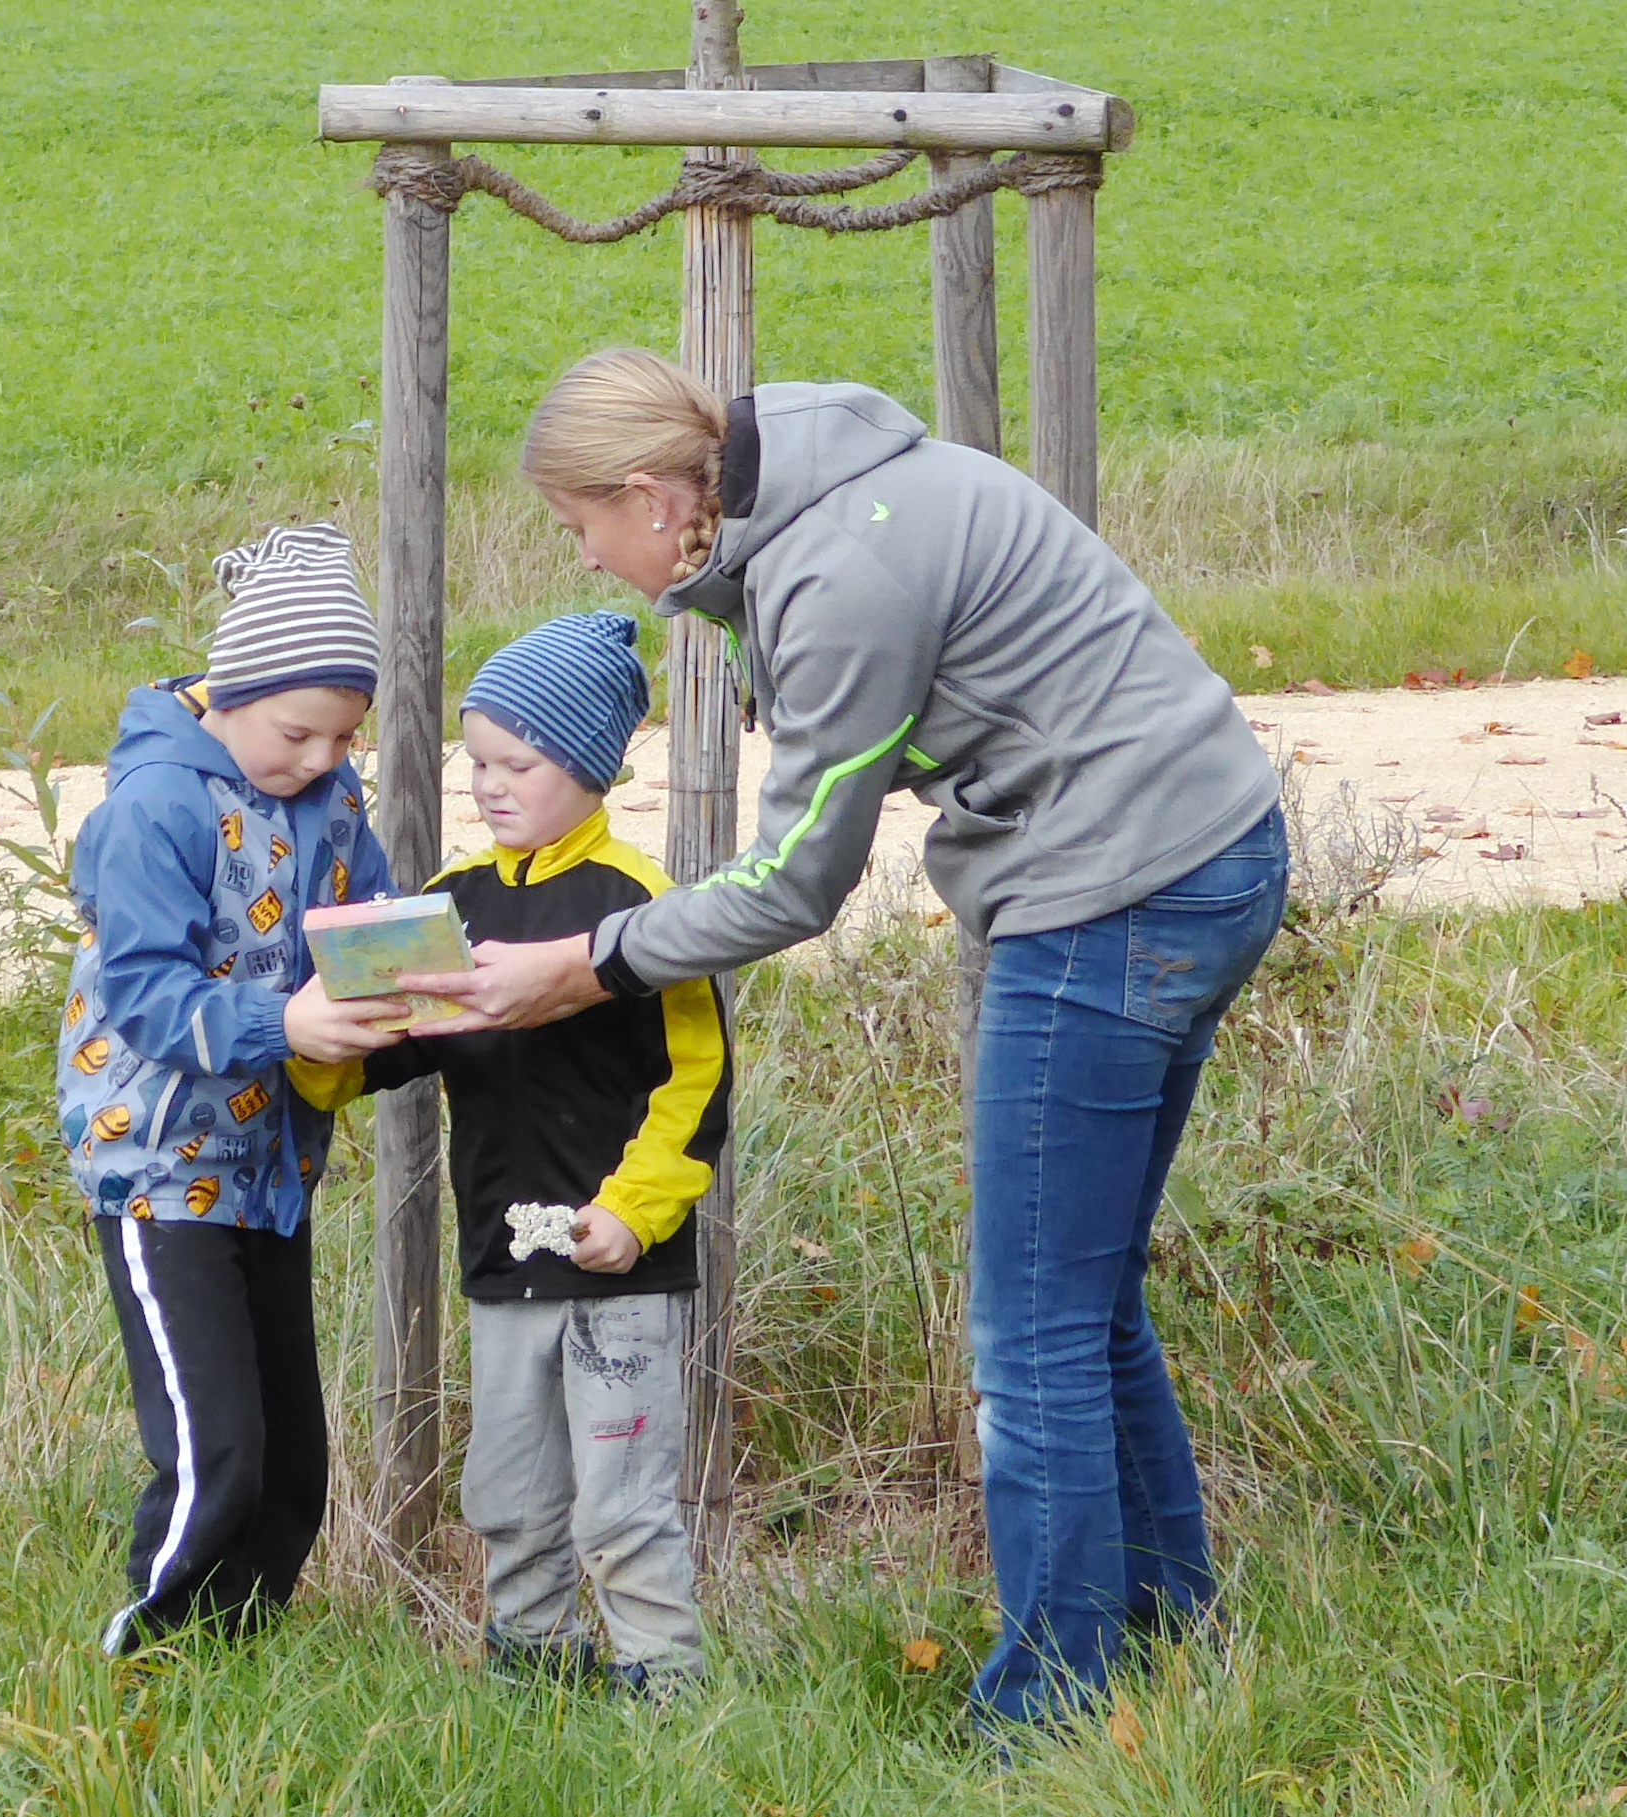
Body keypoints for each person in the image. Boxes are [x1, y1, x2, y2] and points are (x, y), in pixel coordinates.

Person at [404, 350, 1289, 1729]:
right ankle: (1167, 1627)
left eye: (584, 532)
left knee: (1030, 1336)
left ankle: (1050, 1704)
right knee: (1089, 1294)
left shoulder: (835, 576)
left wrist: (589, 966)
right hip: (1211, 848)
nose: (596, 563)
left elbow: (799, 880)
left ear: (651, 496)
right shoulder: (819, 486)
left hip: (1114, 894)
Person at [304, 609, 730, 1698]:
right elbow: (387, 1043)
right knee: (508, 1488)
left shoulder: (637, 906)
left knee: (620, 1498)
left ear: (589, 765)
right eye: (475, 760)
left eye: (518, 762)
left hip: (615, 1266)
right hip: (501, 1261)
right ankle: (527, 1675)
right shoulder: (453, 901)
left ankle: (663, 1688)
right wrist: (314, 1049)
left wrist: (634, 1210)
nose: (489, 783)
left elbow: (695, 1082)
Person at [57, 521, 414, 1654]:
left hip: (270, 1162)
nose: (318, 757)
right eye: (296, 731)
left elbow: (369, 922)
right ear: (230, 692)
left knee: (291, 1459)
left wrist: (410, 982)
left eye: (344, 735)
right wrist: (287, 1017)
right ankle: (150, 1648)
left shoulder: (331, 798)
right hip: (157, 1160)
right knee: (216, 1447)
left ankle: (239, 1650)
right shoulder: (155, 806)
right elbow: (146, 999)